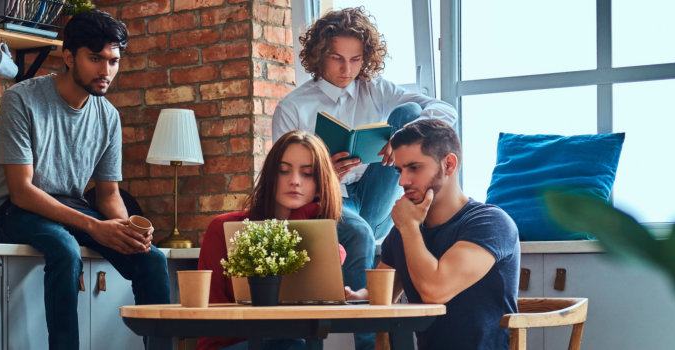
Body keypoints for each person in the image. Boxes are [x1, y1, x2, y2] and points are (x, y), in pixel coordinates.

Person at [0, 10, 170, 350]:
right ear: (69, 57)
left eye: (113, 60)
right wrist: (96, 228)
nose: (106, 70)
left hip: (70, 207)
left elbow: (109, 195)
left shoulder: (108, 116)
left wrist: (128, 232)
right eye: (95, 59)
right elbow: (22, 191)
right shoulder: (21, 100)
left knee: (152, 259)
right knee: (66, 250)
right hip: (12, 209)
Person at [272, 7, 459, 296]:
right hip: (333, 201)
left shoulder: (375, 89)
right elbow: (282, 183)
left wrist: (400, 138)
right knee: (358, 232)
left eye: (355, 59)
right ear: (320, 54)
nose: (347, 69)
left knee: (409, 111)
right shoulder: (293, 107)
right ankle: (369, 336)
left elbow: (445, 110)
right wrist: (325, 177)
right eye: (337, 59)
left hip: (379, 197)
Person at [345, 119, 520, 350]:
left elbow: (434, 291)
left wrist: (409, 228)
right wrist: (358, 296)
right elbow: (382, 292)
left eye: (414, 168)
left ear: (449, 164)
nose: (402, 181)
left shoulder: (490, 223)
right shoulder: (405, 229)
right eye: (400, 170)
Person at [197, 130, 344, 350]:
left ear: (320, 185)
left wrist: (300, 218)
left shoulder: (329, 247)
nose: (294, 181)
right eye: (284, 171)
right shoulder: (224, 228)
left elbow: (302, 318)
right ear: (270, 176)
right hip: (226, 344)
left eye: (307, 174)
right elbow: (211, 313)